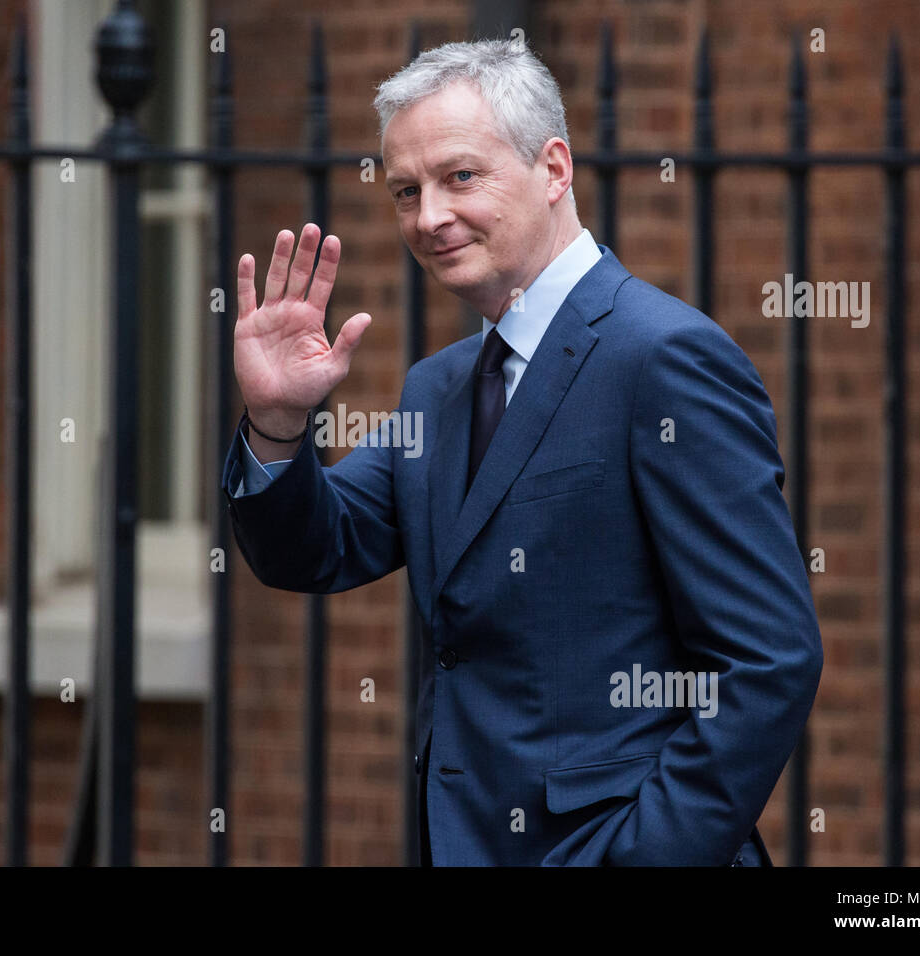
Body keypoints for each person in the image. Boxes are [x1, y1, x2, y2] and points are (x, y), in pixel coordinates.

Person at [219, 38, 823, 866]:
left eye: (459, 177)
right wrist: (278, 423)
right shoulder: (439, 387)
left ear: (554, 169)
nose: (428, 216)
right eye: (406, 190)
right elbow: (317, 549)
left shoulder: (665, 359)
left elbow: (768, 659)